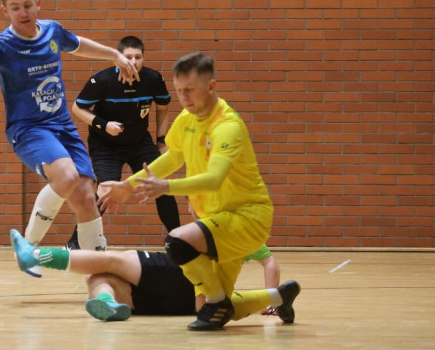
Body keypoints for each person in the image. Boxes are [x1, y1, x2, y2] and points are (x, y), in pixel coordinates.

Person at [97, 52, 300, 331]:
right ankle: (279, 296)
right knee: (206, 309)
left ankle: (218, 300)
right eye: (179, 91)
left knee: (177, 241)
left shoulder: (227, 126)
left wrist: (165, 187)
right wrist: (127, 187)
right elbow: (172, 158)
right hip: (216, 220)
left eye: (190, 90)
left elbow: (215, 178)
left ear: (211, 87)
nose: (184, 98)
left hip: (247, 218)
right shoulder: (186, 119)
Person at [0, 0, 139, 265]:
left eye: (27, 5)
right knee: (67, 176)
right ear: (4, 12)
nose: (23, 12)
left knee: (86, 196)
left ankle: (99, 273)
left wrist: (114, 55)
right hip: (29, 129)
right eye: (15, 8)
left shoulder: (52, 31)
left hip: (63, 128)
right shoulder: (2, 45)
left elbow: (77, 44)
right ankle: (27, 247)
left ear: (38, 4)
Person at [8, 230, 298, 324]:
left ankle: (35, 256)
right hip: (191, 304)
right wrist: (270, 297)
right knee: (97, 274)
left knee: (112, 260)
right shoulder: (245, 234)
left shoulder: (226, 226)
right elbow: (270, 261)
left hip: (183, 274)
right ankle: (108, 302)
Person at [65, 35, 180, 249]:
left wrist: (161, 141)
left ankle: (178, 239)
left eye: (138, 57)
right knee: (106, 190)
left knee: (160, 184)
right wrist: (102, 124)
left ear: (143, 59)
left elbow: (163, 107)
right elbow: (77, 108)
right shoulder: (102, 81)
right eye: (128, 57)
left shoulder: (153, 79)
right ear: (118, 59)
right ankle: (76, 242)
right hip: (105, 145)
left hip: (139, 143)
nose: (133, 62)